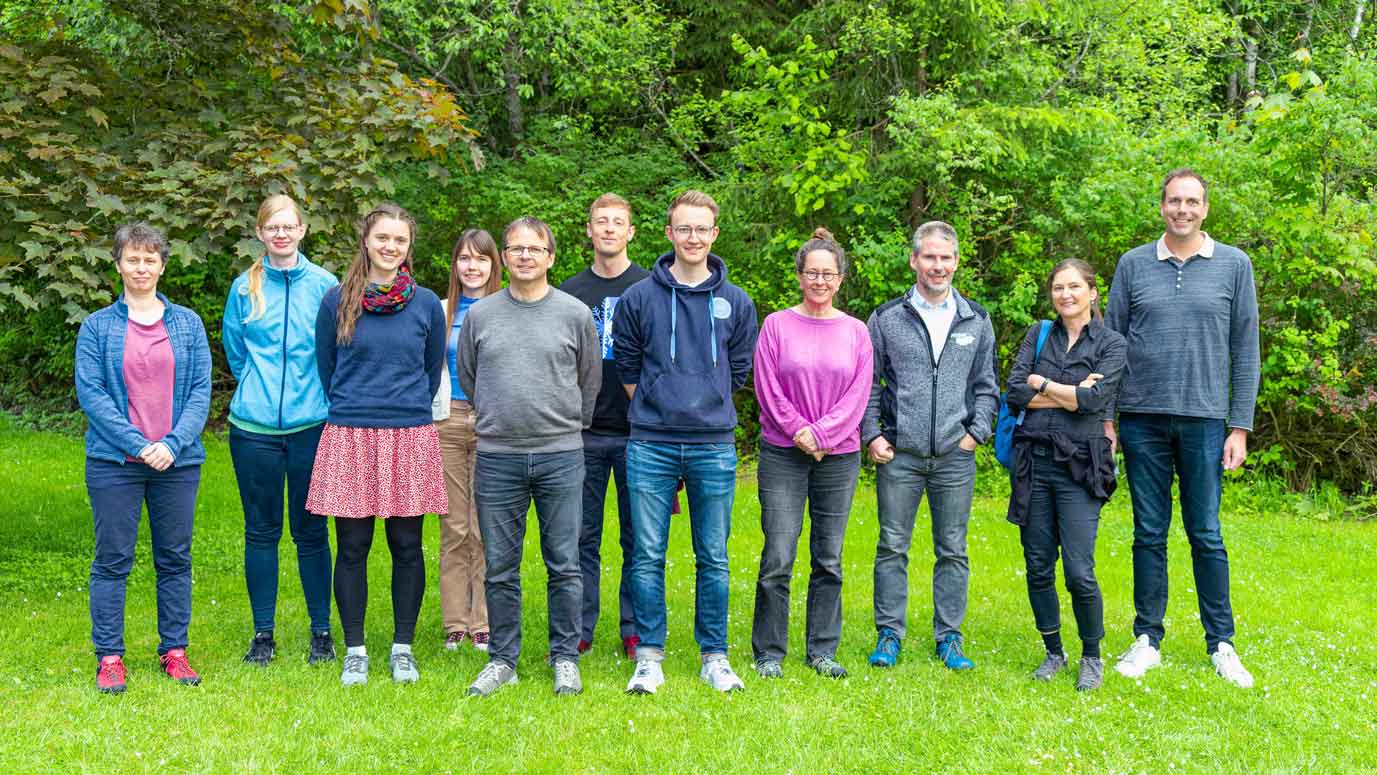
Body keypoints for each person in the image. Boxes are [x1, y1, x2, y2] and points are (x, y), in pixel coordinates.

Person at [1105, 169, 1260, 688]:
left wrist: (1239, 426)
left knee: (1206, 533)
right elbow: (1111, 347)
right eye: (1175, 201)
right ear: (1162, 207)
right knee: (1148, 532)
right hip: (1141, 418)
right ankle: (1147, 638)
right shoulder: (1133, 266)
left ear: (1206, 209)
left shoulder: (1234, 265)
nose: (1183, 210)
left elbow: (1246, 350)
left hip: (1205, 418)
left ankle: (1221, 643)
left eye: (1192, 201)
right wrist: (1106, 418)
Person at [613, 189, 759, 694]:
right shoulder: (639, 299)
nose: (693, 237)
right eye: (684, 228)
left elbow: (739, 369)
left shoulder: (736, 301)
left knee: (713, 556)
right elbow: (627, 367)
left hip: (713, 444)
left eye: (703, 229)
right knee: (647, 553)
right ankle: (649, 655)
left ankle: (714, 656)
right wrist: (657, 402)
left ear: (714, 234)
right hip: (650, 442)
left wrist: (705, 400)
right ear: (670, 233)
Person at [458, 217, 601, 697]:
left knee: (564, 561)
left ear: (551, 257)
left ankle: (564, 656)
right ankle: (503, 659)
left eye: (534, 249)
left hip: (561, 454)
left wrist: (564, 425)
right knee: (500, 565)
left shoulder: (575, 314)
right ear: (504, 256)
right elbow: (471, 377)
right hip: (498, 457)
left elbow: (589, 380)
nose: (524, 256)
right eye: (515, 249)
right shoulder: (481, 316)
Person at [307, 202, 448, 687]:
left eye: (400, 240)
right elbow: (327, 368)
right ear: (366, 241)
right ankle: (356, 650)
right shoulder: (336, 301)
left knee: (407, 545)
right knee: (352, 546)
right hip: (350, 434)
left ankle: (403, 649)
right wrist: (359, 407)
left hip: (409, 434)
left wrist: (401, 409)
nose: (391, 247)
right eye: (383, 238)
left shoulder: (427, 303)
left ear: (409, 248)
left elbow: (431, 372)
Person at [76, 221, 212, 693]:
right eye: (132, 259)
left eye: (149, 258)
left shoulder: (188, 324)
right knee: (113, 559)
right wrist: (138, 445)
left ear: (161, 265)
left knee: (174, 558)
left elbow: (199, 392)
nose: (141, 267)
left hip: (178, 463)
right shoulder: (97, 327)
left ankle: (174, 651)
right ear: (118, 265)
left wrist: (172, 445)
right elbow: (92, 395)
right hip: (115, 465)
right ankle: (110, 657)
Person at [861, 220, 999, 671]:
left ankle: (950, 637)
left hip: (954, 457)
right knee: (892, 546)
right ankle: (888, 634)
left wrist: (975, 432)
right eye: (930, 257)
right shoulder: (886, 318)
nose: (938, 266)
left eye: (946, 257)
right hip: (900, 454)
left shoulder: (976, 319)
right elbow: (868, 384)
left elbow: (986, 385)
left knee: (953, 549)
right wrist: (873, 434)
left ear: (957, 262)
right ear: (914, 260)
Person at [750, 228, 872, 680]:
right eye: (812, 272)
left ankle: (822, 649)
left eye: (829, 273)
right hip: (783, 452)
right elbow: (767, 386)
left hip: (838, 456)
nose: (820, 280)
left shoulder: (856, 331)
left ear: (840, 279)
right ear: (800, 276)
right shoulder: (776, 325)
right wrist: (800, 431)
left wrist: (821, 435)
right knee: (778, 555)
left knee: (829, 556)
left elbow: (859, 395)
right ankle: (769, 652)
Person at [223, 194, 339, 667]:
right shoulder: (243, 287)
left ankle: (321, 632)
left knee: (311, 532)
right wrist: (258, 387)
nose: (281, 234)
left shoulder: (326, 285)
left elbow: (335, 349)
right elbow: (237, 352)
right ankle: (263, 634)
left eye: (289, 226)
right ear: (260, 233)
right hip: (253, 429)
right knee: (261, 532)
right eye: (273, 227)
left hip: (312, 424)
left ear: (303, 230)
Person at [1004, 259, 1126, 692]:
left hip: (1080, 467)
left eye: (1075, 286)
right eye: (1058, 287)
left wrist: (1044, 385)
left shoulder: (1112, 343)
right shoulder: (1039, 336)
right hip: (1034, 463)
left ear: (1093, 292)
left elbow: (1094, 403)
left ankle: (1092, 655)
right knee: (1038, 565)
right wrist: (1068, 393)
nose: (1066, 295)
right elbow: (1014, 392)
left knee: (1078, 570)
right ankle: (1053, 650)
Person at [559, 193, 650, 660]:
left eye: (619, 221)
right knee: (581, 536)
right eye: (602, 221)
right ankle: (580, 626)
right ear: (590, 231)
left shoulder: (650, 288)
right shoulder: (570, 292)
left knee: (638, 537)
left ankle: (634, 628)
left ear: (631, 231)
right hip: (584, 431)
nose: (610, 229)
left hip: (639, 433)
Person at [432, 229, 503, 655]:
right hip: (448, 420)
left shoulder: (507, 310)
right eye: (464, 259)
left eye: (481, 259)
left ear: (496, 265)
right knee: (455, 525)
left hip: (494, 422)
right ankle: (455, 621)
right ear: (455, 265)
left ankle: (484, 621)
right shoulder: (440, 311)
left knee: (486, 527)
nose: (472, 266)